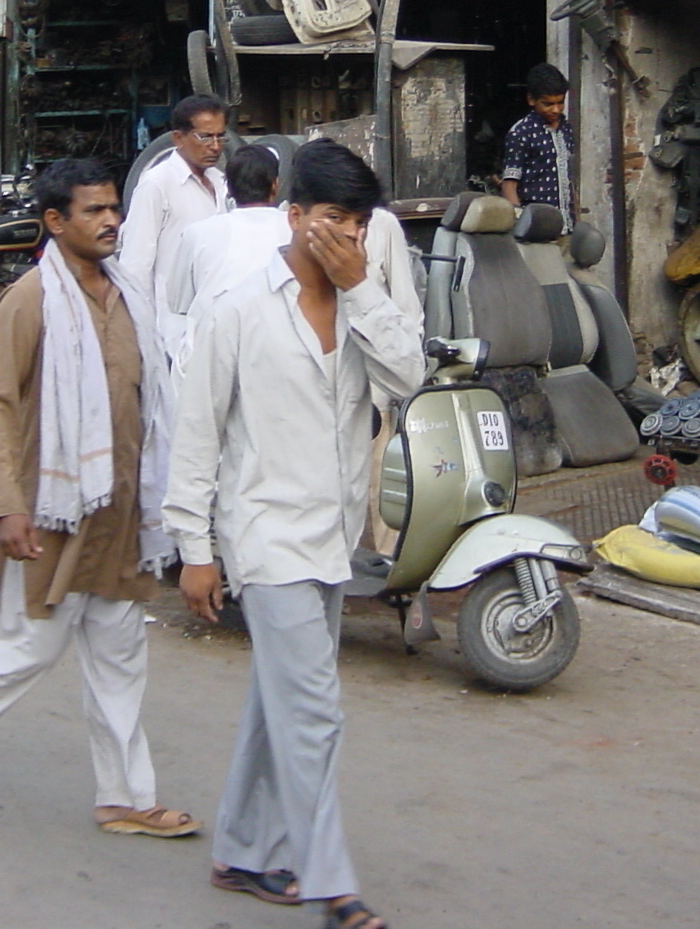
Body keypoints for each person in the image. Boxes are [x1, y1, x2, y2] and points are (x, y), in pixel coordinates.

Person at [0, 158, 199, 841]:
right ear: (55, 222)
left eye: (115, 208)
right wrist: (5, 503)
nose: (112, 221)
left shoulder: (130, 294)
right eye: (94, 211)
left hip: (121, 512)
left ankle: (125, 796)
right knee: (29, 648)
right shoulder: (31, 300)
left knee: (121, 656)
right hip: (52, 510)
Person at [170, 139, 427, 929]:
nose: (344, 237)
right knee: (314, 708)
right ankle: (331, 886)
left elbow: (408, 380)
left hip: (332, 533)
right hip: (264, 534)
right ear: (291, 213)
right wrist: (195, 551)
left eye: (357, 223)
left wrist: (363, 293)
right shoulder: (239, 306)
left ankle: (243, 851)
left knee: (276, 698)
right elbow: (197, 434)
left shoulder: (363, 304)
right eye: (329, 219)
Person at [161, 144, 291, 368]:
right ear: (275, 185)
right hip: (281, 357)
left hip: (210, 360)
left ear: (228, 188)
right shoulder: (295, 230)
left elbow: (178, 303)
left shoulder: (197, 233)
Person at [119, 95, 229, 346]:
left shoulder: (221, 181)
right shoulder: (157, 184)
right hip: (174, 329)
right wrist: (141, 332)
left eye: (220, 137)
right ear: (179, 138)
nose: (215, 146)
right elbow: (136, 264)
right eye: (205, 137)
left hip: (218, 321)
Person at [499, 62, 573, 214]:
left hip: (566, 222)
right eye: (548, 104)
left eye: (560, 103)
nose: (556, 110)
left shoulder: (566, 128)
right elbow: (509, 184)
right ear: (531, 100)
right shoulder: (521, 133)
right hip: (536, 224)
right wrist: (519, 219)